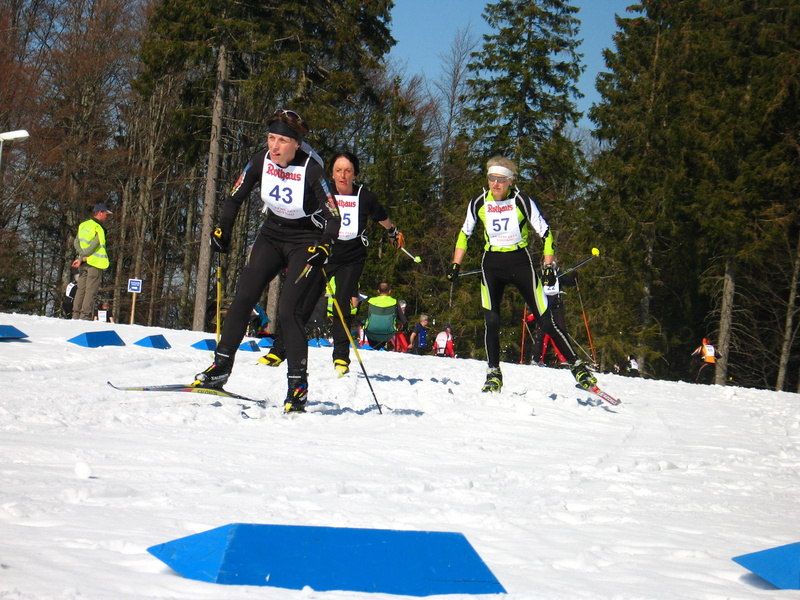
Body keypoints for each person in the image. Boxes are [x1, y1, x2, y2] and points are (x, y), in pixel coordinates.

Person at [193, 108, 341, 413]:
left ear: (297, 144)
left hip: (305, 239)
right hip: (272, 234)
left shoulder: (312, 169)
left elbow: (333, 215)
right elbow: (235, 196)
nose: (275, 146)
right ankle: (220, 367)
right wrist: (223, 228)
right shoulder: (261, 160)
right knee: (243, 297)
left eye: (282, 140)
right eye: (271, 138)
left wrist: (325, 246)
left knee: (288, 310)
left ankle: (298, 386)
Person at [446, 156, 597, 393]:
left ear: (510, 181)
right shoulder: (478, 202)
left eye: (501, 179)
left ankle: (577, 367)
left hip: (519, 262)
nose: (495, 184)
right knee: (491, 321)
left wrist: (548, 266)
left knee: (546, 319)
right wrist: (455, 264)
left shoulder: (521, 200)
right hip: (492, 264)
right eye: (492, 178)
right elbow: (464, 234)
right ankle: (493, 373)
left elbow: (546, 233)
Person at [259, 150, 406, 375]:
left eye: (347, 171)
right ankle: (280, 350)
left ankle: (341, 357)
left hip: (351, 257)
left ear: (355, 173)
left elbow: (381, 216)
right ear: (332, 173)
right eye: (338, 170)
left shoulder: (365, 196)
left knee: (342, 303)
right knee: (304, 302)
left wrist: (393, 231)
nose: (342, 176)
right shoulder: (322, 192)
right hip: (324, 253)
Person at [71, 203, 112, 320]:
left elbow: (76, 242)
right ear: (100, 213)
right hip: (94, 263)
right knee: (90, 291)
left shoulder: (83, 225)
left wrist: (80, 258)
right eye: (106, 214)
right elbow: (94, 245)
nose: (107, 217)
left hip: (83, 263)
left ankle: (75, 315)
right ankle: (85, 316)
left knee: (81, 290)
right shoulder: (100, 228)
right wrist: (84, 256)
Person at [362, 282, 407, 350]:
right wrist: (403, 326)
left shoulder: (371, 301)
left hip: (371, 330)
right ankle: (379, 348)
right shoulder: (394, 302)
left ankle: (376, 349)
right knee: (382, 340)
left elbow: (365, 316)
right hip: (388, 331)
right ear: (389, 291)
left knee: (374, 341)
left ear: (378, 291)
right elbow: (403, 320)